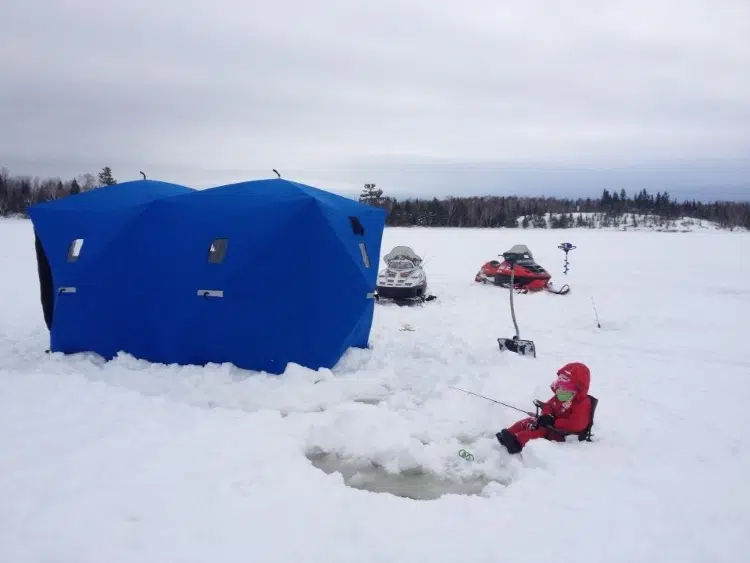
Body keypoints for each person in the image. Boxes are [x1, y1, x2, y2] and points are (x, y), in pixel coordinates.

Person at [497, 362, 592, 454]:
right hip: (550, 425)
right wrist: (547, 415)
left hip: (561, 433)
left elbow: (577, 424)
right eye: (559, 387)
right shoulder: (559, 397)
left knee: (539, 432)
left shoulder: (582, 404)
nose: (559, 391)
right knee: (530, 421)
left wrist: (554, 422)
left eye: (564, 389)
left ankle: (516, 443)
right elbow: (548, 405)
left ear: (577, 390)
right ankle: (509, 433)